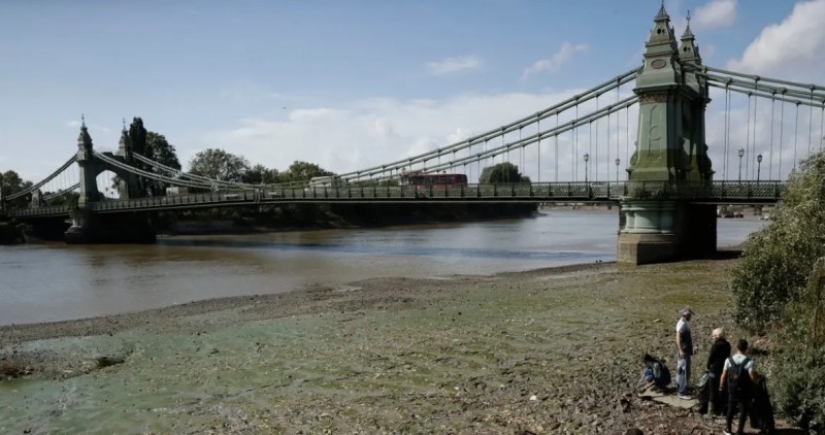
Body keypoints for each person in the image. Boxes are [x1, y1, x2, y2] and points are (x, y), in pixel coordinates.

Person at [719, 339, 758, 435]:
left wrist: (721, 386)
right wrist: (757, 381)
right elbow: (753, 376)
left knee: (731, 408)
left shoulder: (729, 360)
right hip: (744, 389)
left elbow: (723, 375)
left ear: (737, 347)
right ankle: (740, 430)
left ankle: (728, 429)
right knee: (743, 409)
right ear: (746, 348)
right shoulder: (749, 362)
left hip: (732, 388)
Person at [699, 327, 731, 415]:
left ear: (717, 336)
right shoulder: (727, 345)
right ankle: (720, 409)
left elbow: (711, 357)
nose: (712, 337)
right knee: (722, 389)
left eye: (713, 336)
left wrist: (708, 366)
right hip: (724, 369)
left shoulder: (716, 345)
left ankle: (710, 412)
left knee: (711, 389)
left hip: (714, 370)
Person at [675, 307, 694, 399]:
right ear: (686, 315)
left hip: (687, 350)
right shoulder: (681, 325)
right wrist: (680, 350)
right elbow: (678, 338)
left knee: (686, 370)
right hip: (683, 351)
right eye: (690, 315)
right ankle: (681, 392)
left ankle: (684, 388)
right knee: (682, 371)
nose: (691, 317)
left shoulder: (685, 323)